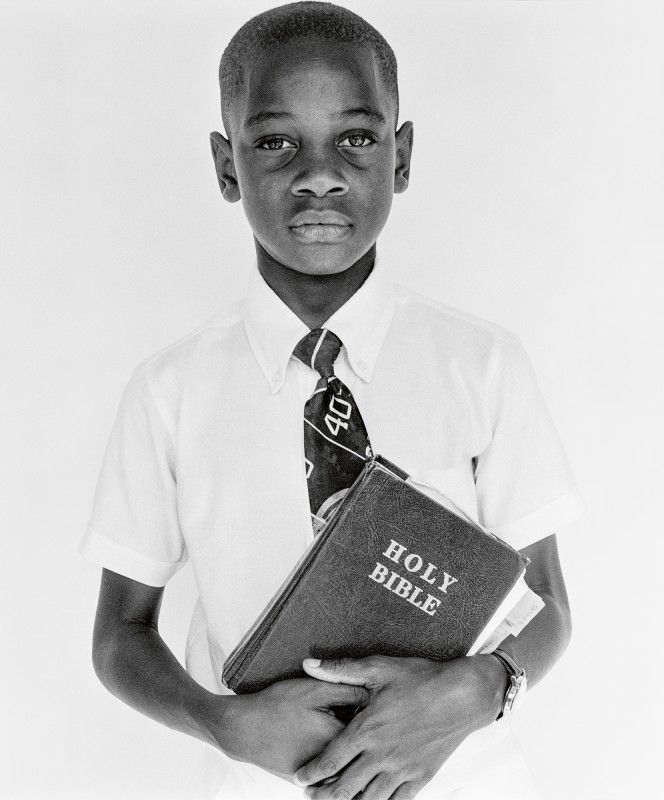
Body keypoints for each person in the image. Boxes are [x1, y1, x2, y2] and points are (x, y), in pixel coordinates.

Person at [80, 3, 584, 798]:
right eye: (275, 142)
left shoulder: (481, 363)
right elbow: (119, 637)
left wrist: (476, 691)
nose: (319, 173)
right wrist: (219, 721)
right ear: (225, 165)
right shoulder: (170, 390)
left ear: (402, 154)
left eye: (356, 138)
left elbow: (548, 605)